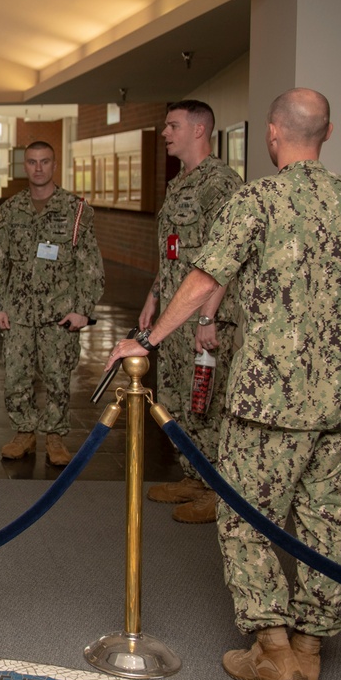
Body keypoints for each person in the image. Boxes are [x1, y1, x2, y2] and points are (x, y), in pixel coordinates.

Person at [106, 88, 341, 680]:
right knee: (324, 517)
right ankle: (311, 646)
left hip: (270, 398)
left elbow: (202, 279)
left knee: (246, 517)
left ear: (272, 135)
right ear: (328, 133)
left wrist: (149, 338)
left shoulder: (258, 200)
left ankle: (272, 647)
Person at [141, 101, 243, 524]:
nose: (165, 132)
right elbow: (175, 252)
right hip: (177, 314)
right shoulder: (181, 181)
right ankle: (193, 476)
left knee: (208, 402)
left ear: (199, 130)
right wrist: (153, 298)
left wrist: (207, 318)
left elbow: (228, 258)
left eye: (172, 125)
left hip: (204, 318)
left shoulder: (220, 184)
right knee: (179, 398)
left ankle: (217, 490)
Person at [0, 141, 104, 466]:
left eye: (44, 162)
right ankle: (24, 432)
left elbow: (90, 265)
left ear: (54, 165)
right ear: (24, 166)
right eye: (32, 162)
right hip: (18, 312)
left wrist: (83, 309)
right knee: (16, 377)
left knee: (57, 376)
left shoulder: (76, 209)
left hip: (59, 313)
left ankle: (54, 436)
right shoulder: (11, 211)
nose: (38, 168)